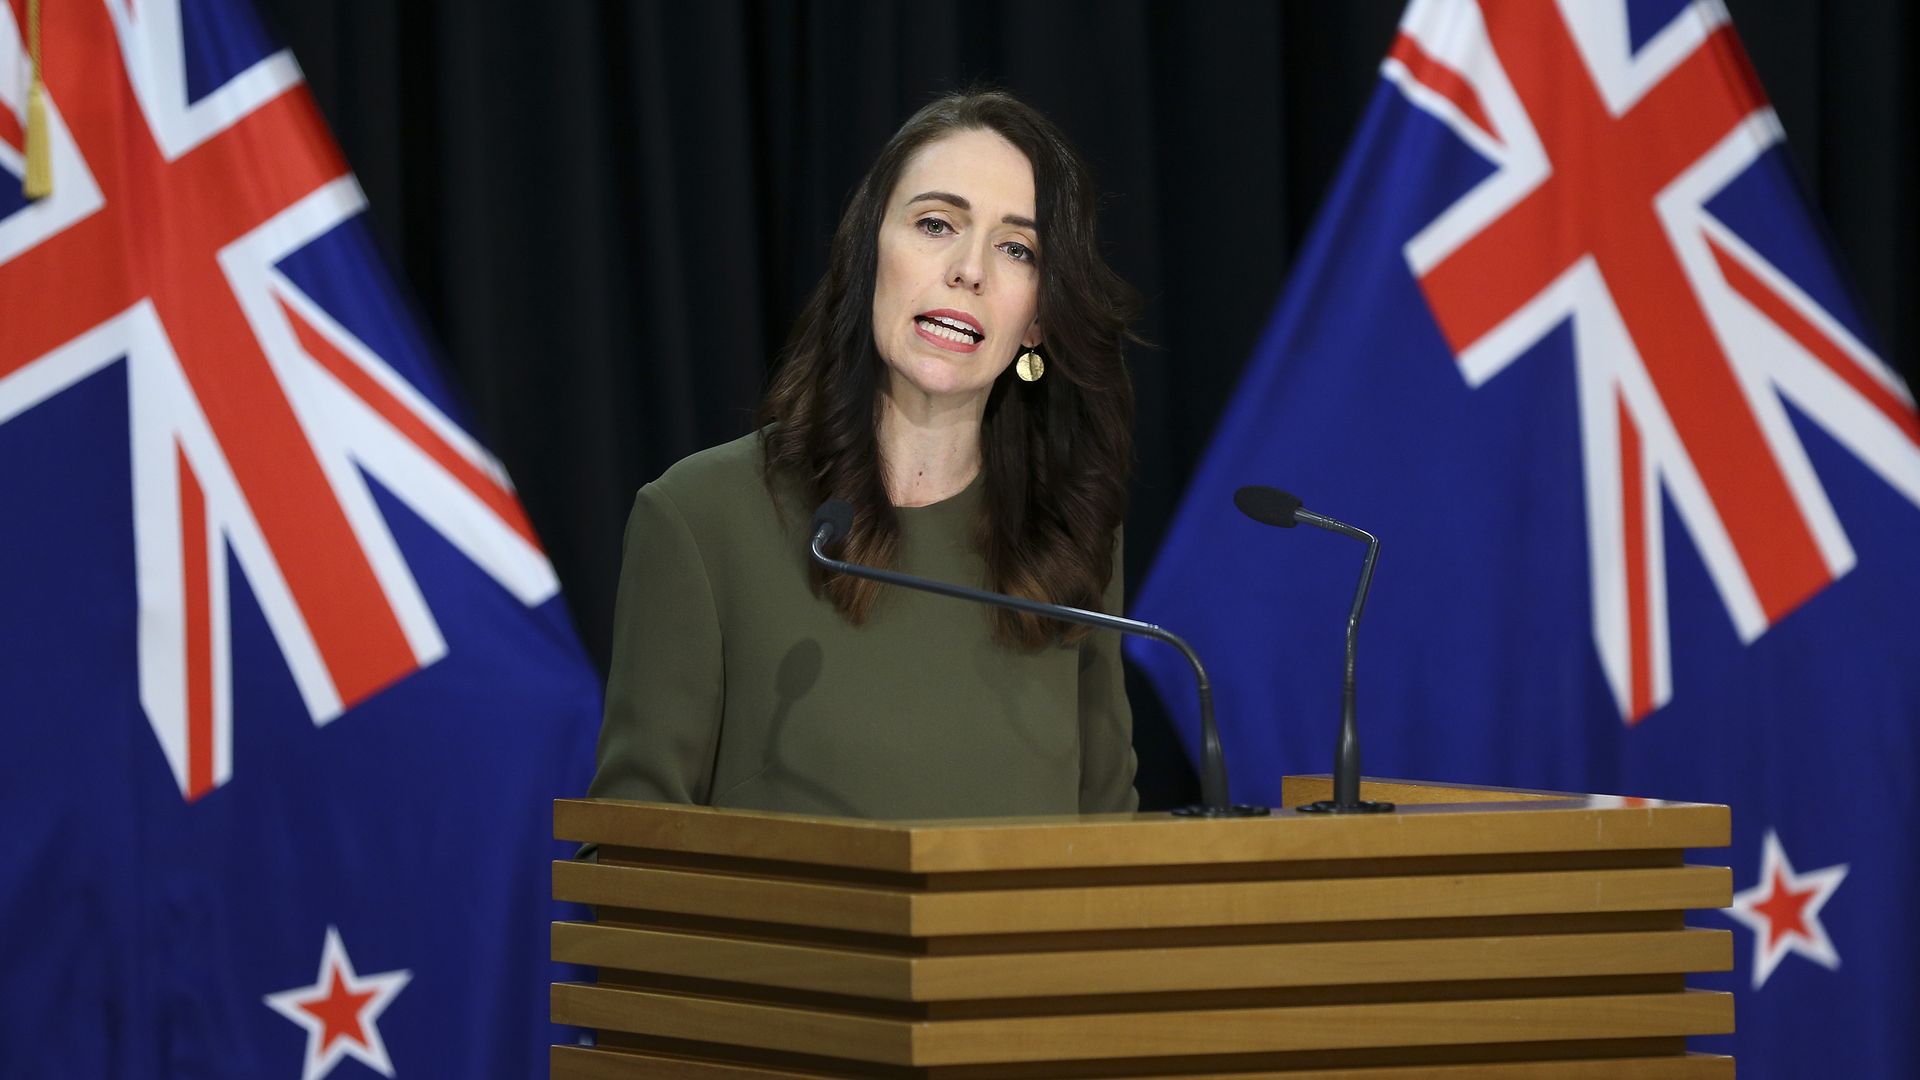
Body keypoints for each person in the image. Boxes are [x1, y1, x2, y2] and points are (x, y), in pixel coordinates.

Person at [585, 90, 1141, 820]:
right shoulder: (699, 518)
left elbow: (1111, 850)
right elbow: (629, 857)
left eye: (1017, 249)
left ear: (1038, 319)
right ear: (868, 253)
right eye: (936, 224)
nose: (970, 270)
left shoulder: (1073, 535)